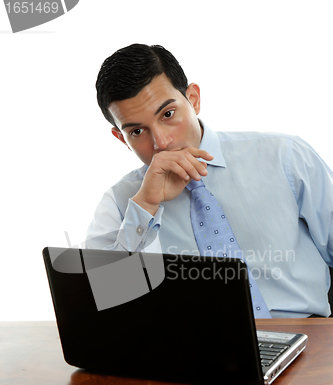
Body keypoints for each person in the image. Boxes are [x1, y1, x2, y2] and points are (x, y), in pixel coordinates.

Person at [86, 43, 333, 318]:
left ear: (193, 99)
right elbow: (100, 304)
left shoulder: (286, 157)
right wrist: (145, 207)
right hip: (195, 351)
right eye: (137, 131)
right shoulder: (123, 202)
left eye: (168, 114)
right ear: (121, 138)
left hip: (308, 340)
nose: (161, 142)